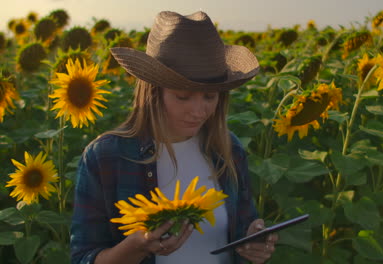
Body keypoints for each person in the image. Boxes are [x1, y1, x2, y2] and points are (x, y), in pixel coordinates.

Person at [70, 10, 278, 264]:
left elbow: (244, 223)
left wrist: (253, 241)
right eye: (183, 96)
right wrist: (135, 248)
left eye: (210, 97)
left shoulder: (228, 149)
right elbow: (83, 257)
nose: (199, 111)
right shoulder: (106, 157)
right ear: (153, 92)